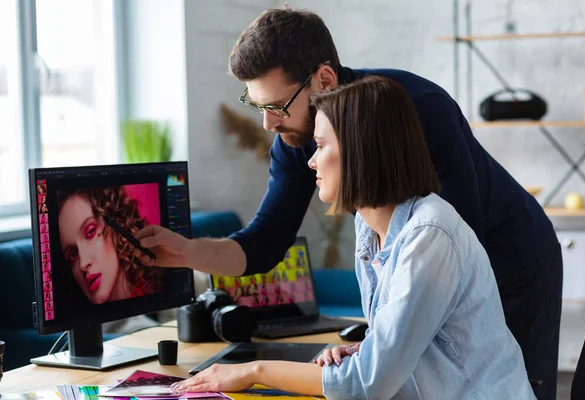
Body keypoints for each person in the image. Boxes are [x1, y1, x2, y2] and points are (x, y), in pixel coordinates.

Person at [135, 8, 561, 398]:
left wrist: (258, 369)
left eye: (277, 105)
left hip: (512, 257)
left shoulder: (417, 114)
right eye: (256, 106)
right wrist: (186, 253)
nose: (268, 124)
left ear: (323, 80)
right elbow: (264, 243)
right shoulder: (305, 148)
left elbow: (453, 242)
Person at [57, 187, 163, 304]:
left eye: (90, 232)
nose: (83, 263)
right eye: (73, 254)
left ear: (116, 223)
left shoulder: (159, 297)